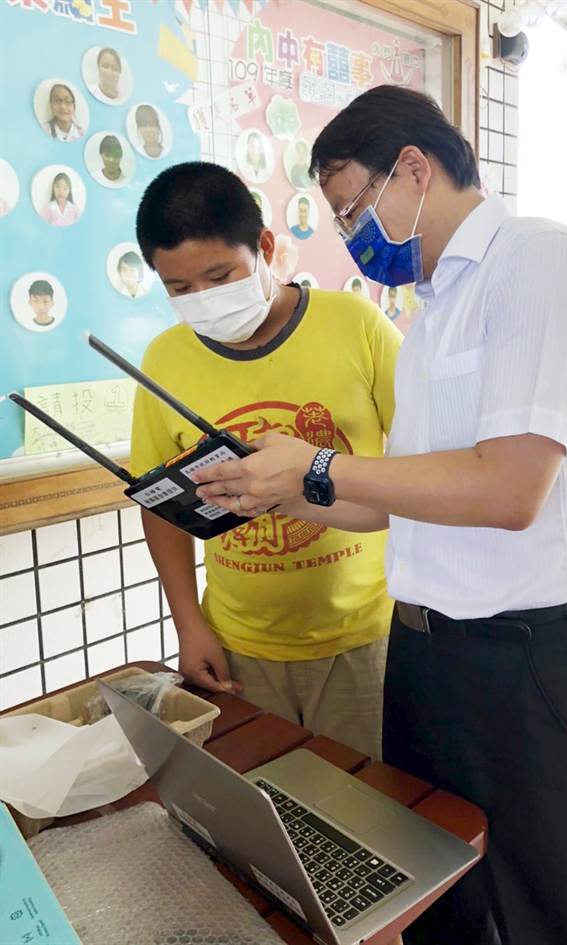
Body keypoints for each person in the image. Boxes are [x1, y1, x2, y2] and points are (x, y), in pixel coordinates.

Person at [192, 85, 567, 945]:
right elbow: (412, 497)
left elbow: (508, 490)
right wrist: (292, 492)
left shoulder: (541, 261)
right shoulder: (434, 314)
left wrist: (319, 464)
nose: (355, 240)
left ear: (416, 169)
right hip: (424, 656)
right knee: (439, 899)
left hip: (525, 661)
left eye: (354, 209)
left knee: (552, 909)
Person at [131, 161, 402, 762]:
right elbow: (159, 508)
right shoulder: (164, 359)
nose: (201, 301)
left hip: (367, 634)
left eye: (219, 276)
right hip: (239, 641)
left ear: (266, 248)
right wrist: (188, 623)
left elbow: (420, 467)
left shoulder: (357, 327)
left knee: (370, 811)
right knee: (268, 811)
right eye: (178, 289)